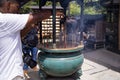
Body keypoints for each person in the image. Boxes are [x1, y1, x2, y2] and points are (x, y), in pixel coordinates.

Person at [0, 0, 51, 80]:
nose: (18, 10)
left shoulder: (4, 23)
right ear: (8, 5)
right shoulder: (5, 19)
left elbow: (18, 35)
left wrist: (29, 26)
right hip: (11, 76)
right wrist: (54, 12)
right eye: (17, 7)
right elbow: (39, 16)